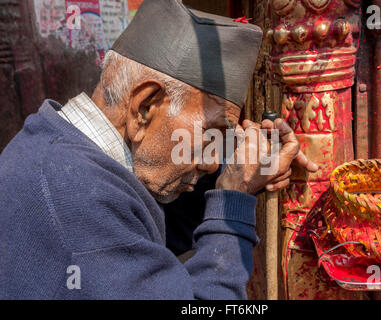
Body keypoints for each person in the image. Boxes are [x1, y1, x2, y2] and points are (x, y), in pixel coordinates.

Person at [0, 0, 317, 299]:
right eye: (212, 134)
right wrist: (235, 195)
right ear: (145, 106)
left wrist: (242, 171)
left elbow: (154, 225)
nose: (211, 162)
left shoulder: (52, 148)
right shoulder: (79, 197)